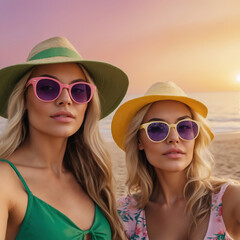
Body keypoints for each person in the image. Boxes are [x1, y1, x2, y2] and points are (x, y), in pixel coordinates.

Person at [0, 36, 129, 240]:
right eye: (48, 87)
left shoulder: (92, 177)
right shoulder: (4, 181)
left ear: (88, 105)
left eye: (78, 90)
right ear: (24, 99)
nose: (66, 100)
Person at [111, 81, 240, 239]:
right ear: (139, 141)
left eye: (185, 127)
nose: (174, 138)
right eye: (157, 128)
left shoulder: (230, 199)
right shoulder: (123, 214)